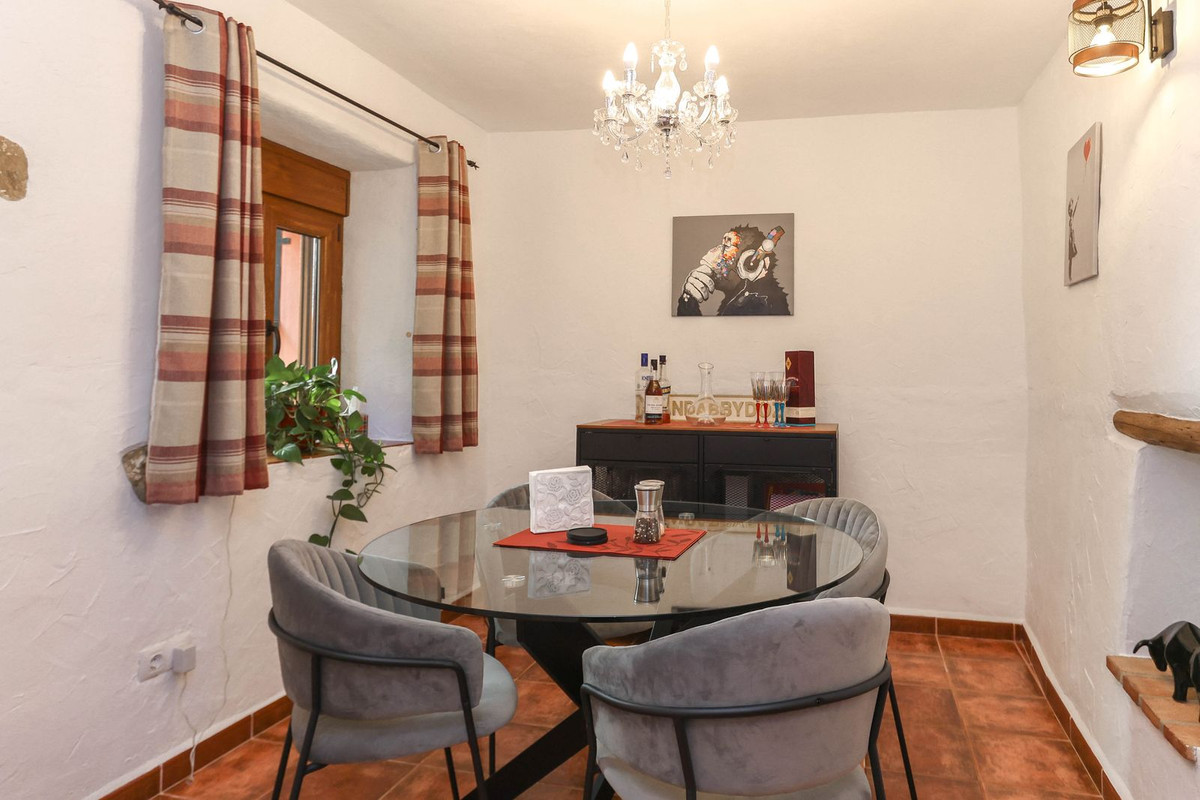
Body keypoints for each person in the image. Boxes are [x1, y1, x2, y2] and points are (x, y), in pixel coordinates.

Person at [676, 224, 791, 316]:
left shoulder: (763, 302)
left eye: (726, 247)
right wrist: (688, 299)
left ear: (751, 264)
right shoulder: (735, 302)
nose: (713, 251)